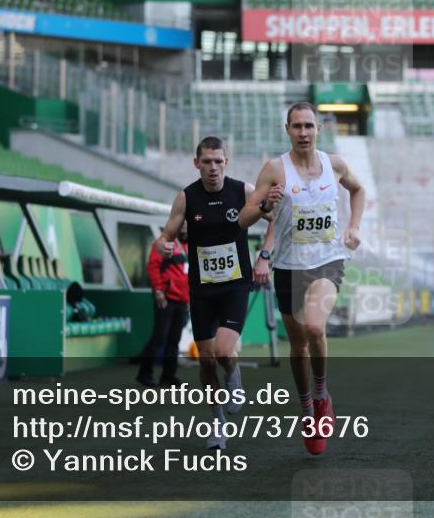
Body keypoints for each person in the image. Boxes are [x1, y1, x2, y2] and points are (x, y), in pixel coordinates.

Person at [239, 102, 365, 455]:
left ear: (318, 129)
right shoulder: (274, 169)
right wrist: (265, 205)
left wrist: (354, 226)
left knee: (313, 328)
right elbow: (244, 218)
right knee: (298, 346)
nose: (303, 132)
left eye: (309, 126)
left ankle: (322, 395)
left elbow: (358, 190)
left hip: (327, 261)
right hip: (289, 266)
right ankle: (307, 408)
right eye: (297, 126)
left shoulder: (335, 165)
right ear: (288, 130)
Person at [154, 136, 272, 450]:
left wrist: (264, 256)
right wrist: (164, 245)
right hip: (202, 288)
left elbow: (275, 218)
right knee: (206, 361)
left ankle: (233, 374)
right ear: (197, 163)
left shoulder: (243, 191)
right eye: (206, 161)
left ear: (226, 162)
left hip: (235, 284)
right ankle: (217, 423)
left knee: (223, 352)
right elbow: (165, 236)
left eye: (218, 161)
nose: (213, 168)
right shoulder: (186, 197)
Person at [136, 222, 191, 388]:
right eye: (182, 225)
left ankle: (168, 376)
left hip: (183, 301)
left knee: (174, 340)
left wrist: (189, 299)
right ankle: (144, 373)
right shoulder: (163, 244)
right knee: (159, 338)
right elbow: (153, 267)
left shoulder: (190, 245)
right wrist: (158, 291)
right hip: (166, 299)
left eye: (187, 225)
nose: (184, 228)